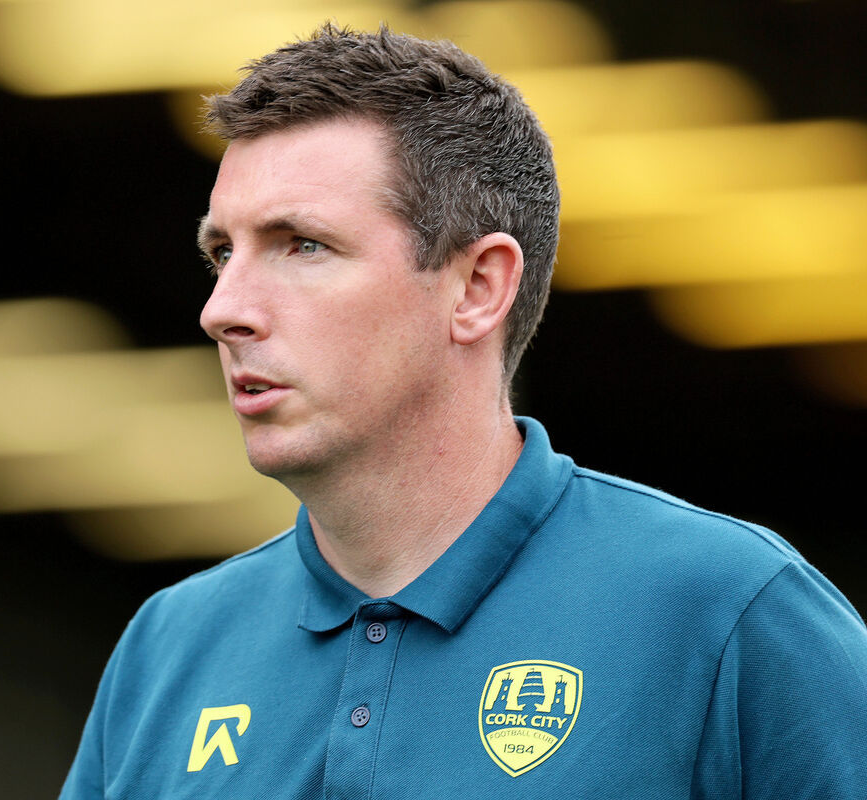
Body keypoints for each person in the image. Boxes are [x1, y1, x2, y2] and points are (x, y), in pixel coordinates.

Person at [59, 24, 867, 798]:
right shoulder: (169, 649)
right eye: (222, 253)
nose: (222, 309)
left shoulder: (729, 613)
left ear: (477, 287)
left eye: (302, 244)